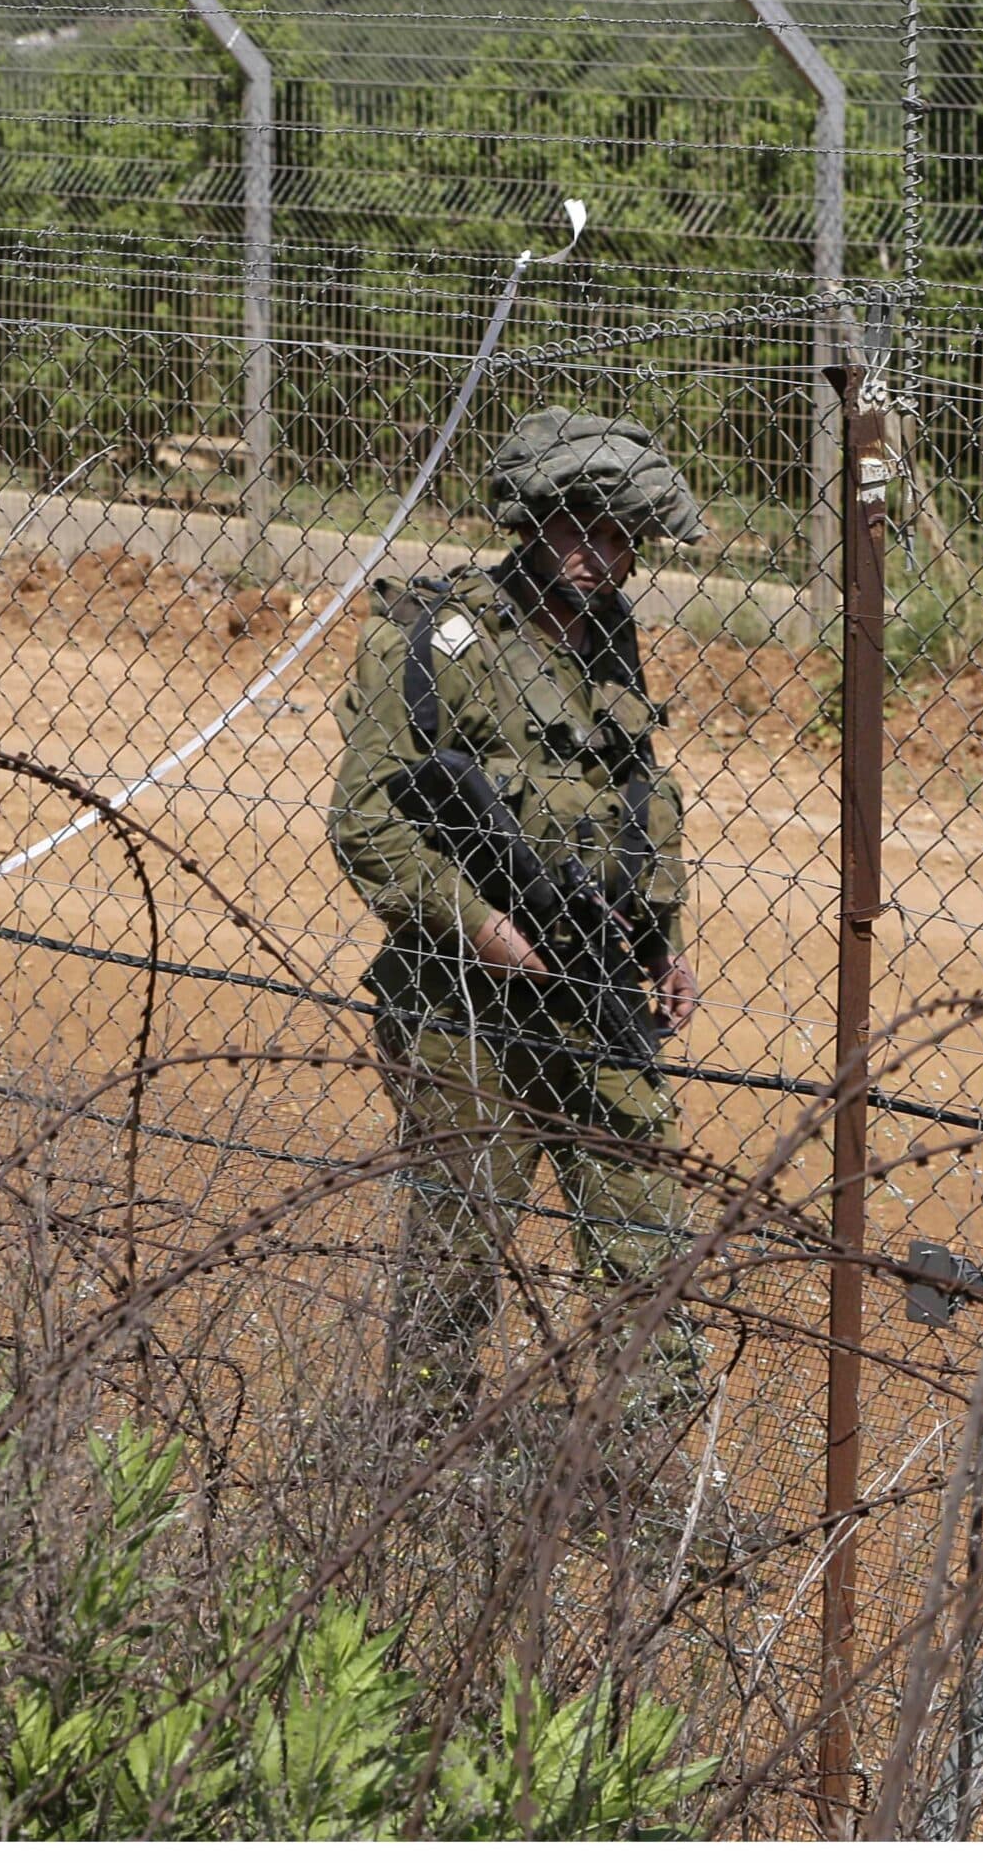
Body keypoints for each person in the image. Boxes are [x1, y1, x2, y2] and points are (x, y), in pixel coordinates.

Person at [326, 405, 711, 1433]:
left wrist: (666, 940)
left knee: (644, 1234)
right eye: (576, 527)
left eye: (621, 534)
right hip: (465, 1007)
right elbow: (366, 820)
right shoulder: (445, 639)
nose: (599, 553)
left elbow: (637, 796)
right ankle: (420, 1460)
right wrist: (481, 929)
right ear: (530, 521)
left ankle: (651, 1477)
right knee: (459, 1250)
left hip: (594, 990)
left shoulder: (612, 639)